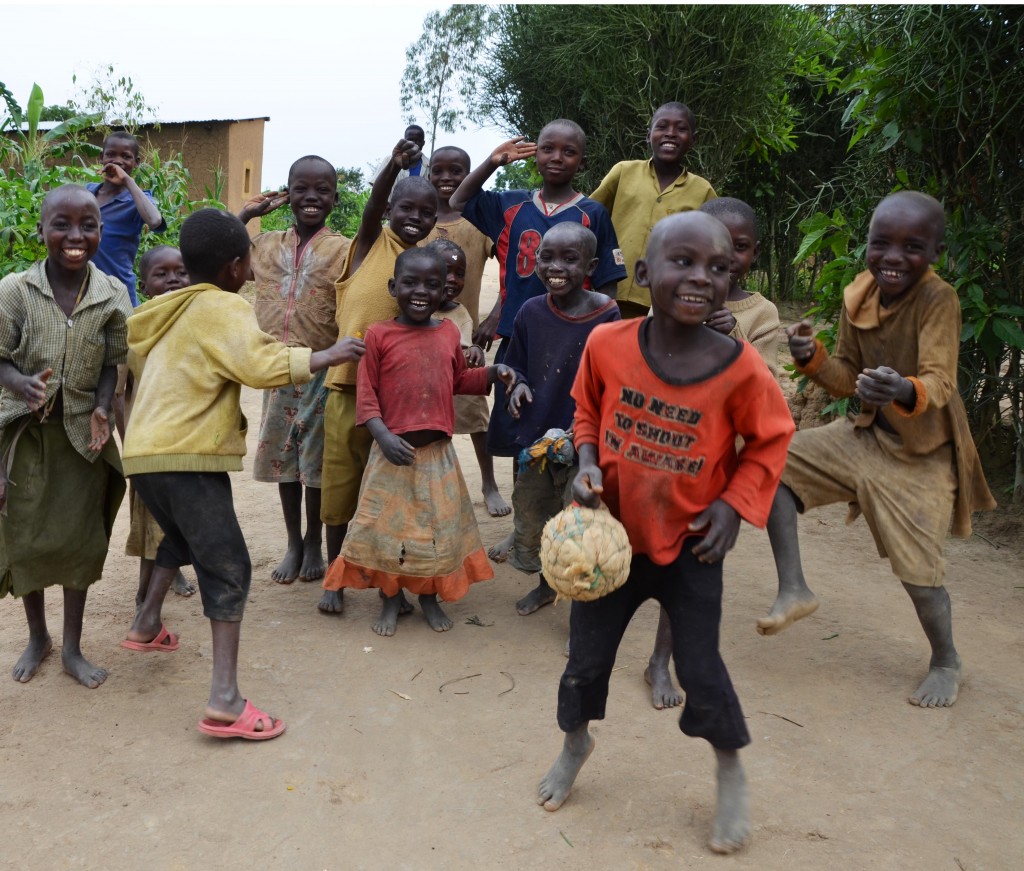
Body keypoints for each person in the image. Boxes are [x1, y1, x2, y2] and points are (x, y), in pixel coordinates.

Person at [536, 212, 794, 854]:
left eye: (718, 267)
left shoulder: (741, 368)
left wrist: (734, 506)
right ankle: (575, 743)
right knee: (583, 664)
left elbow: (771, 440)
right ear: (644, 273)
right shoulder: (608, 344)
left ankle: (729, 767)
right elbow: (587, 409)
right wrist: (587, 461)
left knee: (701, 668)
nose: (702, 277)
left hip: (692, 547)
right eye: (684, 262)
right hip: (610, 547)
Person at [120, 208, 365, 740]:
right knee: (228, 566)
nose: (252, 269)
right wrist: (328, 354)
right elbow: (259, 365)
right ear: (234, 266)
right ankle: (225, 701)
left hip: (144, 456)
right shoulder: (222, 306)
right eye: (249, 261)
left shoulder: (165, 308)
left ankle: (145, 622)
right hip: (187, 456)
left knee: (180, 538)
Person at [757, 191, 996, 709]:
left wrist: (903, 388)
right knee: (772, 462)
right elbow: (846, 376)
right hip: (866, 438)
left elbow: (941, 381)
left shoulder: (939, 299)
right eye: (881, 243)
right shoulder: (859, 294)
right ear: (867, 244)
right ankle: (794, 586)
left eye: (912, 247)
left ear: (936, 253)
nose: (893, 257)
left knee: (920, 577)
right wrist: (812, 357)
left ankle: (946, 660)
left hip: (923, 456)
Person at [451, 120, 626, 558]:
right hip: (520, 338)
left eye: (568, 151)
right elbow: (458, 200)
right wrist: (493, 161)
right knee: (522, 433)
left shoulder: (593, 213)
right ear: (536, 154)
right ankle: (523, 528)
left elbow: (608, 284)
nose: (556, 158)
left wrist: (599, 340)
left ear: (581, 160)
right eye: (547, 148)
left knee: (571, 428)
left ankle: (567, 524)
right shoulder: (510, 204)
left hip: (574, 344)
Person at [321, 247, 515, 636]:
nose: (421, 291)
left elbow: (459, 380)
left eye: (432, 284)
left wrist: (494, 372)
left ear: (444, 290)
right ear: (394, 287)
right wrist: (384, 437)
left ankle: (429, 598)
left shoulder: (448, 333)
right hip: (391, 457)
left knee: (436, 531)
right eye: (410, 282)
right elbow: (367, 399)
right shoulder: (378, 335)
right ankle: (391, 600)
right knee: (389, 533)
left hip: (437, 457)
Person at [645, 196, 782, 709]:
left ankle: (661, 660)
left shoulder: (760, 313)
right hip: (657, 447)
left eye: (736, 249)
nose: (721, 260)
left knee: (686, 564)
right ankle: (592, 632)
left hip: (712, 462)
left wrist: (733, 335)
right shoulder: (675, 294)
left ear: (751, 254)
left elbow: (769, 388)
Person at [0, 184, 132, 688]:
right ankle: (38, 637)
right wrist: (20, 383)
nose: (75, 236)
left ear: (101, 231)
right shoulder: (15, 291)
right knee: (26, 540)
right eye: (62, 224)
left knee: (81, 540)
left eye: (88, 225)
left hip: (82, 437)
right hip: (25, 435)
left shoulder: (112, 293)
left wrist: (102, 405)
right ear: (41, 230)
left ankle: (73, 647)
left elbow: (112, 361)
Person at [318, 138, 438, 616]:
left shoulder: (425, 262)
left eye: (426, 212)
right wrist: (394, 165)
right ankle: (335, 579)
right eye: (405, 208)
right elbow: (371, 207)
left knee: (395, 494)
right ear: (389, 209)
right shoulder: (369, 244)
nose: (415, 218)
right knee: (340, 490)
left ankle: (394, 583)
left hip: (400, 402)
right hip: (348, 389)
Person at [239, 155, 350, 584]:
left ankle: (314, 540)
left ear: (335, 198)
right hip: (277, 369)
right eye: (301, 189)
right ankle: (292, 542)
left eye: (322, 190)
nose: (311, 197)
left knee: (315, 463)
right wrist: (247, 215)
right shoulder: (265, 244)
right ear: (287, 195)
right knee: (285, 461)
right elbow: (220, 253)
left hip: (322, 368)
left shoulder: (343, 249)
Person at [502, 224, 620, 616]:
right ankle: (545, 586)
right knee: (540, 516)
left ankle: (581, 611)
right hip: (537, 440)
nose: (556, 267)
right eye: (547, 257)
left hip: (583, 442)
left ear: (591, 266)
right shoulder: (531, 311)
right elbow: (515, 364)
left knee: (578, 525)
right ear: (535, 261)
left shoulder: (607, 313)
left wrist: (585, 429)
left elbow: (611, 379)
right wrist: (518, 385)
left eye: (570, 259)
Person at [422, 146, 508, 517]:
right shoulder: (418, 220)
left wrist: (495, 317)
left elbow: (513, 269)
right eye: (438, 171)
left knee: (475, 414)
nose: (446, 178)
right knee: (422, 416)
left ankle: (489, 483)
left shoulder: (478, 220)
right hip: (420, 341)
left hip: (464, 339)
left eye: (456, 171)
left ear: (469, 174)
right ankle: (426, 489)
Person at [117, 246, 195, 607]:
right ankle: (143, 597)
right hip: (148, 445)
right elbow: (120, 392)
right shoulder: (135, 327)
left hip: (189, 441)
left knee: (183, 516)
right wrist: (128, 441)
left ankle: (173, 570)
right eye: (161, 275)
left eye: (181, 272)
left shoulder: (201, 321)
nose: (173, 280)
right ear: (143, 285)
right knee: (151, 521)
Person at [590, 102, 716, 319]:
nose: (671, 133)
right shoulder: (623, 172)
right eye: (662, 126)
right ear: (648, 136)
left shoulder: (703, 191)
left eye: (681, 129)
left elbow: (710, 248)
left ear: (693, 140)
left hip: (664, 301)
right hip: (610, 291)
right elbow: (590, 218)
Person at [87, 131, 166, 307]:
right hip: (85, 291)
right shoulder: (87, 193)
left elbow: (155, 221)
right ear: (101, 157)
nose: (117, 161)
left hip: (119, 294)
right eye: (110, 154)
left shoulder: (137, 200)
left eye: (126, 156)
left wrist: (127, 181)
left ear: (136, 162)